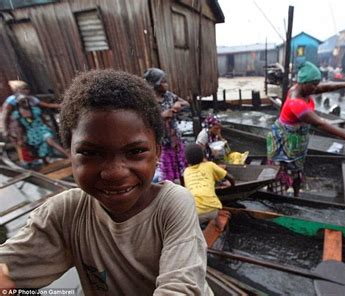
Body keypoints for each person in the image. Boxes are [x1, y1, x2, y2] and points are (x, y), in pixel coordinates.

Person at [0, 70, 211, 294]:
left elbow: (181, 288)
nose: (115, 173)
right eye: (91, 153)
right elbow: (7, 271)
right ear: (69, 153)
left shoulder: (172, 204)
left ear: (157, 152)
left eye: (136, 151)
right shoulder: (65, 214)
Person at [267, 61, 345, 197]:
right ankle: (277, 199)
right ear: (304, 83)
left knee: (297, 169)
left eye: (316, 83)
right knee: (282, 172)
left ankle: (295, 195)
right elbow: (320, 123)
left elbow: (323, 87)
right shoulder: (296, 102)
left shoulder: (302, 88)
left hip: (296, 140)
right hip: (285, 141)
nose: (316, 87)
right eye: (313, 84)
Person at [143, 68, 190, 184]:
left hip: (175, 140)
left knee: (182, 168)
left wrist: (179, 104)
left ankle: (185, 188)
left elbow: (186, 104)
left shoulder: (169, 96)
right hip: (161, 143)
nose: (166, 84)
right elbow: (143, 120)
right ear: (156, 84)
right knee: (166, 174)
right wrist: (161, 116)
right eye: (163, 82)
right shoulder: (148, 100)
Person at [183, 143, 235, 229]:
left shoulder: (186, 172)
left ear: (187, 160)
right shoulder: (210, 165)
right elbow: (231, 178)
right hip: (213, 211)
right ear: (203, 156)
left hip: (195, 215)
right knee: (211, 201)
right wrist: (231, 185)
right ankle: (219, 225)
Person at [11, 94, 69, 163]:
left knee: (50, 141)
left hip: (42, 128)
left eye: (27, 100)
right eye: (23, 102)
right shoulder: (17, 115)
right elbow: (19, 128)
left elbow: (43, 119)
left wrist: (48, 127)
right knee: (41, 151)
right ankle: (47, 162)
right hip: (31, 133)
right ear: (18, 103)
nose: (26, 103)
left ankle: (68, 155)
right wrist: (20, 138)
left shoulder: (35, 110)